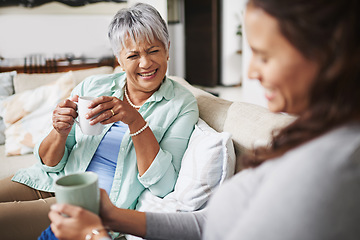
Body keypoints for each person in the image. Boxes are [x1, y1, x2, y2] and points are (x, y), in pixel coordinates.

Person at [46, 0, 360, 239]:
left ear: (324, 54)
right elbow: (203, 225)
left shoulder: (334, 165)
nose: (250, 72)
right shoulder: (309, 136)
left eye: (265, 55)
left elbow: (164, 185)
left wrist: (94, 234)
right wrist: (111, 217)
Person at [0, 3, 199, 240]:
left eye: (153, 50)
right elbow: (48, 164)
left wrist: (135, 121)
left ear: (167, 49)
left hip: (85, 204)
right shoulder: (93, 87)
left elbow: (164, 185)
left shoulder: (181, 104)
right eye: (133, 55)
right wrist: (59, 131)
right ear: (120, 60)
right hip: (46, 180)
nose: (145, 63)